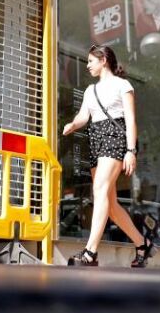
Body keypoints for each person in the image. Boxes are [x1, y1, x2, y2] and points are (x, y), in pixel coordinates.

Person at [62, 44, 152, 267]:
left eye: (91, 61)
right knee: (110, 205)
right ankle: (143, 244)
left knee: (100, 190)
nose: (87, 65)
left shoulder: (123, 85)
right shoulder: (90, 90)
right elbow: (84, 116)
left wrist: (131, 151)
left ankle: (90, 252)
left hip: (115, 137)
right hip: (96, 140)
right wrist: (72, 124)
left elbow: (130, 120)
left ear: (103, 60)